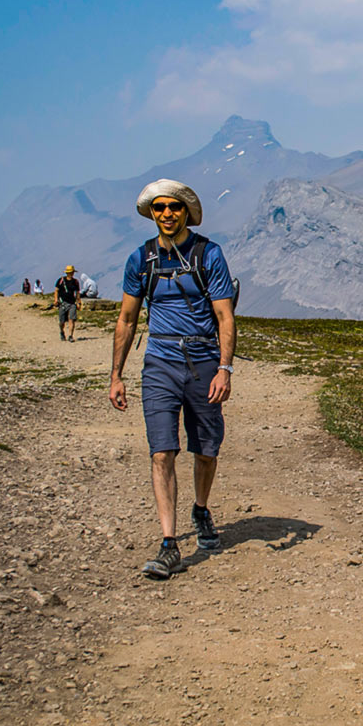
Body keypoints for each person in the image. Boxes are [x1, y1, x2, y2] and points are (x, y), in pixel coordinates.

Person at [108, 179, 236, 579]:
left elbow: (224, 316)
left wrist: (225, 368)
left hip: (202, 361)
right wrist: (116, 375)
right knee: (161, 451)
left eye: (175, 207)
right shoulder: (140, 261)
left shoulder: (209, 255)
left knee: (206, 448)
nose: (167, 213)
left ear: (185, 212)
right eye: (160, 207)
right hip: (160, 363)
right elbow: (127, 319)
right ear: (151, 212)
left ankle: (200, 510)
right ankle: (168, 544)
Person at [55, 265, 81, 341]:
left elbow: (77, 292)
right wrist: (56, 300)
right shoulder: (61, 280)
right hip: (63, 303)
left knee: (71, 319)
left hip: (72, 303)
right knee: (62, 322)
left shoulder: (75, 282)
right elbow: (56, 290)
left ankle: (70, 336)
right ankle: (62, 332)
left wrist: (78, 302)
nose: (71, 273)